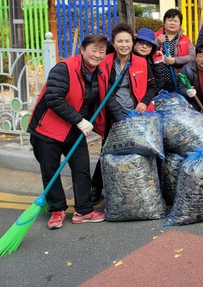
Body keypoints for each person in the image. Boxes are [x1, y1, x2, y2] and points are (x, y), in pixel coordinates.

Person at [28, 34, 109, 229]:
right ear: (83, 50)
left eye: (102, 52)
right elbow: (54, 98)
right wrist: (79, 120)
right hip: (47, 129)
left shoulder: (97, 73)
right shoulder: (63, 68)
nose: (97, 55)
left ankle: (84, 210)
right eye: (94, 50)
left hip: (73, 130)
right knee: (51, 171)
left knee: (81, 170)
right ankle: (57, 209)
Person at [92, 23, 157, 202]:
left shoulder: (141, 62)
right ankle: (96, 187)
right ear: (113, 43)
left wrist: (144, 102)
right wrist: (119, 117)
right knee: (108, 151)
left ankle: (132, 189)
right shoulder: (105, 62)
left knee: (137, 152)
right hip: (112, 116)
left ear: (132, 42)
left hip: (136, 115)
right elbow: (104, 91)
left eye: (127, 41)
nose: (124, 45)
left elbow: (152, 86)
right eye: (120, 41)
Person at [153, 8, 195, 92]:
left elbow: (193, 56)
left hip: (178, 81)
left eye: (175, 21)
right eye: (169, 20)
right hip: (157, 80)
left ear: (180, 24)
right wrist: (157, 43)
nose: (172, 23)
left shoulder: (185, 39)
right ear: (164, 22)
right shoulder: (156, 36)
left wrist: (175, 60)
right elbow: (146, 53)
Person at [133, 27, 163, 91]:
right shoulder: (127, 59)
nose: (144, 46)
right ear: (134, 43)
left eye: (148, 45)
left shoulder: (152, 61)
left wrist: (158, 63)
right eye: (141, 43)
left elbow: (157, 86)